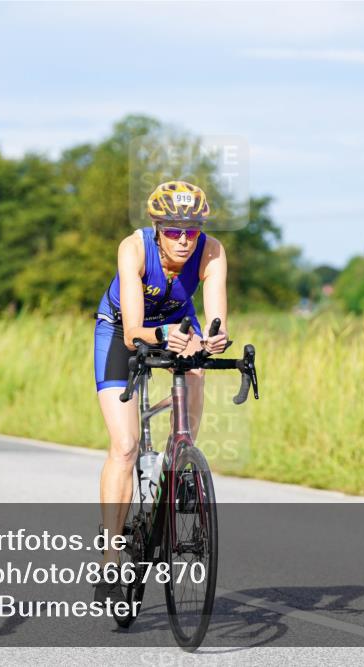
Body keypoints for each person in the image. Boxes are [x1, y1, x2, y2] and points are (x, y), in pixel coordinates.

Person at [92, 180, 230, 605]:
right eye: (173, 230)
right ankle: (111, 557)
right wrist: (166, 334)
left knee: (197, 371)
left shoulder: (213, 251)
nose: (184, 239)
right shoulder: (133, 249)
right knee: (126, 445)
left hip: (177, 323)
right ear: (157, 228)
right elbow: (135, 332)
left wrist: (213, 340)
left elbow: (216, 318)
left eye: (192, 229)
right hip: (122, 331)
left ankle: (181, 458)